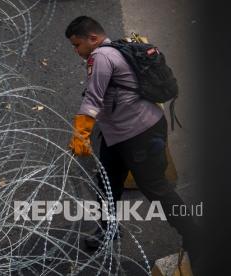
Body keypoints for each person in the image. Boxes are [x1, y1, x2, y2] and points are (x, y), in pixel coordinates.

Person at [65, 15, 200, 263]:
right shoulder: (116, 48)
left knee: (156, 188)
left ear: (92, 39)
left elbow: (93, 99)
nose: (76, 51)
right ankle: (107, 230)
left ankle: (193, 233)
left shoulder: (102, 57)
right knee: (107, 183)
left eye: (77, 45)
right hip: (118, 133)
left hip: (139, 134)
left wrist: (81, 133)